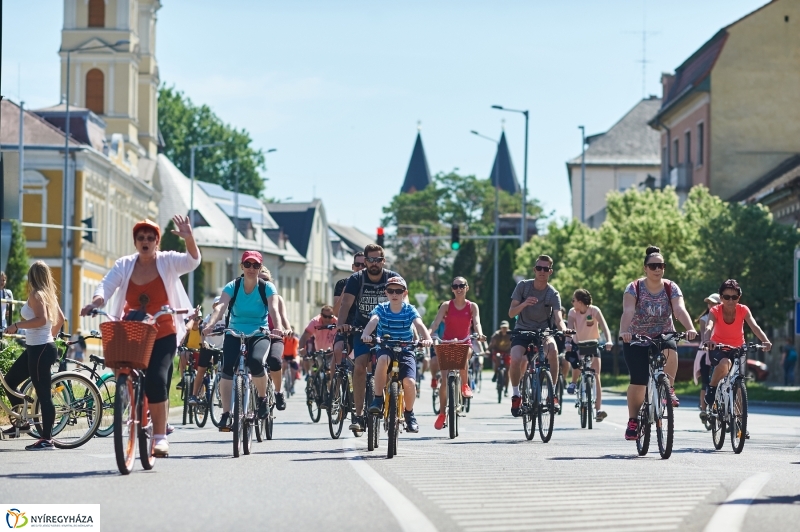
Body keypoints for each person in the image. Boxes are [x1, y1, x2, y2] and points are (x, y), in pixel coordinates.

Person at [81, 216, 199, 456]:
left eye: (150, 238)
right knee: (121, 367)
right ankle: (134, 401)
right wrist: (96, 302)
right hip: (134, 329)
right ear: (135, 242)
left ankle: (159, 436)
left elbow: (192, 261)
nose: (145, 241)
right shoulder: (125, 264)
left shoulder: (167, 261)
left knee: (156, 379)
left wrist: (189, 239)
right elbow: (106, 285)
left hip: (163, 330)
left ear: (157, 241)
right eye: (140, 238)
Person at [202, 251, 287, 431]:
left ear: (259, 268)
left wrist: (278, 327)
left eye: (255, 265)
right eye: (247, 264)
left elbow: (274, 310)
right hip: (234, 331)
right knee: (227, 368)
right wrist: (210, 324)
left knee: (256, 362)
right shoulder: (233, 286)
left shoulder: (267, 288)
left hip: (259, 332)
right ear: (241, 266)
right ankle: (226, 414)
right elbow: (221, 308)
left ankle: (263, 399)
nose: (251, 268)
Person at [619, 245, 697, 441]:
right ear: (645, 268)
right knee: (638, 380)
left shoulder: (671, 287)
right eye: (653, 265)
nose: (657, 269)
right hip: (636, 337)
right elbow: (628, 311)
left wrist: (690, 328)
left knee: (671, 347)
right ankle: (633, 420)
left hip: (662, 334)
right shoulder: (634, 287)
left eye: (660, 265)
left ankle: (668, 389)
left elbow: (679, 310)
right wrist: (624, 331)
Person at [337, 243, 401, 432]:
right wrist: (341, 326)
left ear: (383, 260)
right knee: (359, 365)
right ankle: (358, 415)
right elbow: (346, 304)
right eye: (370, 259)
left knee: (389, 365)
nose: (374, 263)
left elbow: (405, 305)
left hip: (388, 329)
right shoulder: (357, 279)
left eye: (378, 259)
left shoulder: (392, 278)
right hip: (362, 328)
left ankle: (390, 402)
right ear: (365, 261)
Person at [2, 262, 65, 449]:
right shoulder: (48, 295)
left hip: (40, 349)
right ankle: (21, 422)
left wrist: (17, 326)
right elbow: (60, 319)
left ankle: (47, 439)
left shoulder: (37, 295)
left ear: (32, 276)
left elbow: (42, 320)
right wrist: (49, 336)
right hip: (38, 347)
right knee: (9, 381)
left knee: (44, 394)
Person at [362, 276, 432, 433]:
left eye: (398, 291)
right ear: (386, 293)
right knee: (383, 360)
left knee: (410, 382)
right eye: (391, 291)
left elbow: (419, 324)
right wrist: (366, 334)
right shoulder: (381, 308)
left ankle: (409, 414)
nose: (394, 294)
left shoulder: (409, 309)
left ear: (404, 293)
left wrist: (427, 339)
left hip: (406, 349)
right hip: (386, 346)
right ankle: (378, 399)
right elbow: (373, 320)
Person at [508, 255, 567, 417]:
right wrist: (524, 303)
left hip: (543, 331)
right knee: (516, 357)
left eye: (546, 269)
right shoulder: (523, 287)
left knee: (553, 351)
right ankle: (516, 394)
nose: (542, 272)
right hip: (522, 329)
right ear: (534, 270)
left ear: (550, 272)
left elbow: (558, 318)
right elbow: (511, 312)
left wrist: (564, 329)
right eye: (539, 268)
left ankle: (552, 395)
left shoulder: (553, 293)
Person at [428, 276, 485, 430]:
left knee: (464, 354)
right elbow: (436, 322)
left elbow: (477, 322)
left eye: (462, 285)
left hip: (464, 342)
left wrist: (479, 334)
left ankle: (465, 385)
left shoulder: (472, 306)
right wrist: (428, 333)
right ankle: (441, 413)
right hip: (447, 343)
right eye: (456, 286)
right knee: (445, 380)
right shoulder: (446, 305)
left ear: (467, 288)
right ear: (452, 289)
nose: (459, 288)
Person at [705, 279, 772, 407]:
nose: (730, 301)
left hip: (738, 348)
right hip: (718, 347)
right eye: (726, 297)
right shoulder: (715, 310)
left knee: (739, 381)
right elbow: (709, 326)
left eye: (734, 297)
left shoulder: (743, 310)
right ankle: (712, 387)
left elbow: (755, 327)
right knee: (725, 363)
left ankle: (739, 422)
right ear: (721, 297)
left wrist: (765, 341)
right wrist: (707, 340)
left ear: (739, 297)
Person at [565, 288, 612, 422]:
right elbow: (569, 328)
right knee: (577, 364)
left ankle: (598, 410)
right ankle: (574, 382)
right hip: (578, 344)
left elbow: (604, 327)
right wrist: (568, 342)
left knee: (596, 375)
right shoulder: (572, 312)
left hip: (593, 344)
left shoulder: (594, 310)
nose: (572, 302)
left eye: (573, 300)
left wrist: (608, 340)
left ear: (580, 302)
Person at [332, 253, 366, 381]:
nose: (360, 267)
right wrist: (345, 293)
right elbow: (335, 312)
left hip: (364, 328)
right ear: (353, 266)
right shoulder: (342, 283)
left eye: (363, 264)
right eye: (357, 264)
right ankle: (333, 393)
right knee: (338, 350)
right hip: (346, 327)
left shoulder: (370, 284)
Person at [189, 297, 224, 403]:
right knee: (201, 370)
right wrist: (203, 341)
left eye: (220, 304)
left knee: (223, 371)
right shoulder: (209, 318)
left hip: (221, 348)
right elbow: (202, 330)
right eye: (216, 304)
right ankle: (194, 395)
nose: (218, 306)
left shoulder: (228, 319)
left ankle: (222, 395)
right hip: (208, 346)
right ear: (213, 306)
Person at [694, 293, 720, 423]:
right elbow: (705, 334)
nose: (711, 305)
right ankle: (704, 410)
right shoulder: (704, 318)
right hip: (706, 351)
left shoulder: (723, 317)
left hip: (721, 349)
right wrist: (706, 344)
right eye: (709, 303)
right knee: (706, 382)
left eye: (713, 303)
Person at [299, 305, 337, 386]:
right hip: (319, 352)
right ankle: (313, 383)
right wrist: (302, 348)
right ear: (320, 315)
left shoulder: (337, 322)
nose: (327, 319)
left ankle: (330, 395)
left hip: (332, 353)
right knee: (315, 369)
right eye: (324, 316)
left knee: (330, 373)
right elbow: (305, 336)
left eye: (330, 317)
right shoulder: (315, 322)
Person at [489, 320, 512, 396]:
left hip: (507, 352)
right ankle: (496, 374)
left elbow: (514, 344)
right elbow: (492, 344)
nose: (504, 329)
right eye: (503, 327)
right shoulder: (496, 335)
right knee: (497, 357)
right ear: (500, 328)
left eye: (505, 327)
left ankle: (506, 390)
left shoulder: (511, 334)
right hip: (497, 351)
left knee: (507, 370)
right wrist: (488, 350)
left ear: (508, 328)